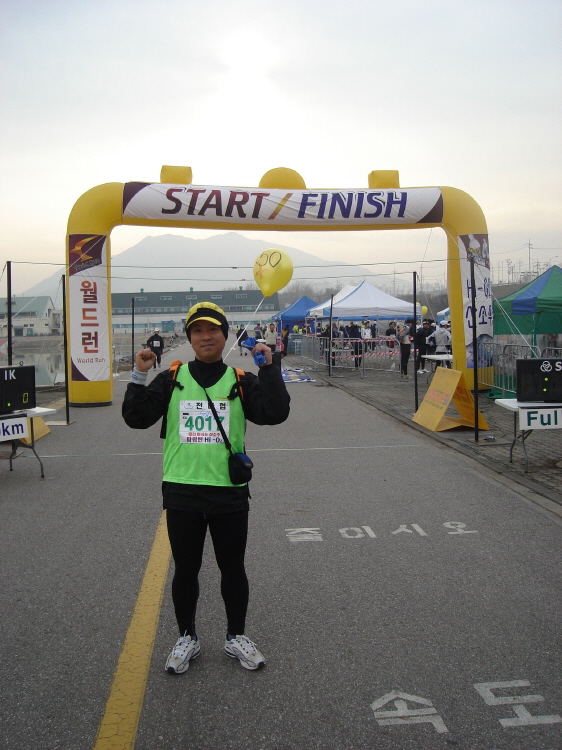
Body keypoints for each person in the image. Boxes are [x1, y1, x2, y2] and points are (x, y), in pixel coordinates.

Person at [122, 302, 290, 674]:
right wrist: (138, 374)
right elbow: (136, 418)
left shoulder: (242, 380)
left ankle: (236, 636)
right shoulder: (172, 378)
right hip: (182, 492)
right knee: (186, 570)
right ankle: (187, 636)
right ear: (190, 338)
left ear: (225, 335)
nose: (206, 336)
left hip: (229, 492)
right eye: (197, 331)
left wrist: (270, 367)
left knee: (233, 569)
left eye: (213, 329)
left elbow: (275, 413)